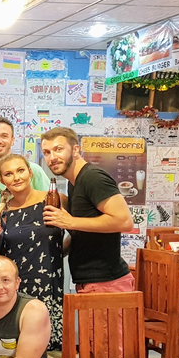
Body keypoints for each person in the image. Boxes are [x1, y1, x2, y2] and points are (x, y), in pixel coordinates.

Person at [40, 126, 134, 296]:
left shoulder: (93, 177)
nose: (52, 157)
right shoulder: (74, 182)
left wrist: (69, 221)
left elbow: (124, 221)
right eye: (46, 152)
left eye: (58, 149)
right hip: (90, 282)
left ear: (75, 150)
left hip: (107, 284)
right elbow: (82, 234)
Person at [0, 153, 66, 353]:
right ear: (2, 180)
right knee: (10, 348)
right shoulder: (2, 211)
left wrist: (58, 253)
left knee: (42, 352)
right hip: (14, 287)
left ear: (30, 172)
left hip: (47, 286)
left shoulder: (53, 200)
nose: (16, 177)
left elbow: (78, 231)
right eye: (8, 174)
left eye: (20, 171)